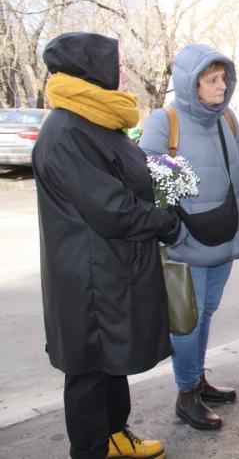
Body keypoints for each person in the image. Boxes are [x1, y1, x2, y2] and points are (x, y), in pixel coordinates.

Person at [33, 32, 181, 459]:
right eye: (117, 69)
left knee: (110, 362)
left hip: (110, 268)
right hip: (88, 278)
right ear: (93, 72)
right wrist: (163, 222)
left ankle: (116, 437)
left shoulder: (96, 120)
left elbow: (125, 180)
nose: (126, 76)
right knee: (89, 370)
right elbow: (111, 207)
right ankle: (92, 449)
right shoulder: (67, 131)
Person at [139, 44, 239, 430]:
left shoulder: (228, 119)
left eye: (224, 78)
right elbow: (148, 182)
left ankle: (197, 379)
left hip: (224, 234)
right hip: (187, 241)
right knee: (187, 321)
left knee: (206, 312)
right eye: (212, 80)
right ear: (192, 84)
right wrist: (169, 231)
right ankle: (186, 394)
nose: (221, 86)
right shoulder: (165, 120)